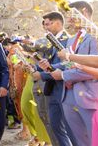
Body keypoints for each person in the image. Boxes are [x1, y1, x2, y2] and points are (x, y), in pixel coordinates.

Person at [45, 1, 98, 146]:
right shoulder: (71, 39)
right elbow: (69, 64)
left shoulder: (97, 37)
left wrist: (64, 76)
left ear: (83, 12)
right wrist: (51, 67)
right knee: (79, 142)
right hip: (68, 97)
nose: (68, 20)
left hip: (90, 97)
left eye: (71, 15)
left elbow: (96, 68)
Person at [32, 12, 76, 146]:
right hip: (51, 90)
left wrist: (43, 75)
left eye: (48, 24)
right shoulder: (50, 40)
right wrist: (35, 68)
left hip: (64, 89)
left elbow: (69, 64)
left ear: (57, 23)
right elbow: (48, 63)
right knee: (56, 127)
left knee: (69, 130)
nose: (46, 27)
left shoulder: (68, 40)